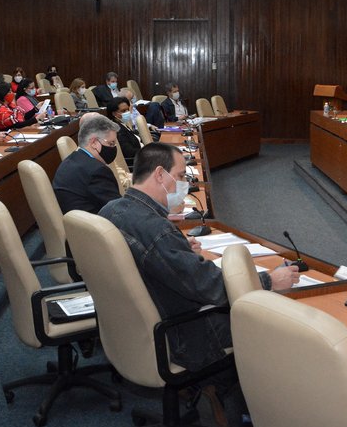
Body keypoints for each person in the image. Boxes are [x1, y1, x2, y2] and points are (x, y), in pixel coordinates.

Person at [98, 142, 300, 372]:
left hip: (136, 327)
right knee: (274, 323)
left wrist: (180, 250)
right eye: (181, 175)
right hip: (185, 334)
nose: (185, 184)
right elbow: (210, 287)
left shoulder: (110, 209)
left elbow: (153, 261)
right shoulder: (157, 230)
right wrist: (270, 281)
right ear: (160, 175)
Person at [52, 114, 122, 214]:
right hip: (98, 225)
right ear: (94, 142)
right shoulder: (97, 171)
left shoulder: (70, 160)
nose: (113, 148)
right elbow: (118, 211)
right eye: (111, 143)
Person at [106, 96, 142, 169]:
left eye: (128, 109)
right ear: (114, 113)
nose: (127, 112)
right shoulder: (116, 130)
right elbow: (129, 152)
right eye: (123, 111)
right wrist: (148, 152)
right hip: (139, 163)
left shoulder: (122, 124)